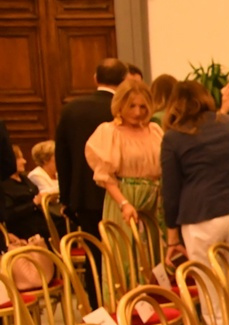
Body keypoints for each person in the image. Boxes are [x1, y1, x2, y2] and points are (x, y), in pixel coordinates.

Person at [84, 78, 165, 280]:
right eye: (132, 106)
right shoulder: (109, 132)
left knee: (152, 257)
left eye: (143, 107)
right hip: (124, 200)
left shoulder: (154, 131)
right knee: (127, 259)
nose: (137, 112)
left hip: (152, 204)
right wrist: (124, 203)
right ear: (120, 105)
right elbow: (106, 176)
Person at [161, 80, 229, 273]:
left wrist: (172, 237)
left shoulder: (173, 137)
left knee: (208, 285)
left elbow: (171, 190)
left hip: (200, 216)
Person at [56, 57, 126, 241]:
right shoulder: (124, 109)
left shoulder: (71, 109)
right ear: (124, 80)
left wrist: (66, 198)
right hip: (121, 193)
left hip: (84, 194)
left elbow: (62, 156)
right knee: (121, 247)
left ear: (95, 78)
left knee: (93, 249)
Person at [2, 145, 55, 241]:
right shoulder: (4, 185)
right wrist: (34, 203)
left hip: (42, 225)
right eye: (19, 158)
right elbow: (8, 215)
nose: (24, 161)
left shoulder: (25, 178)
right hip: (23, 231)